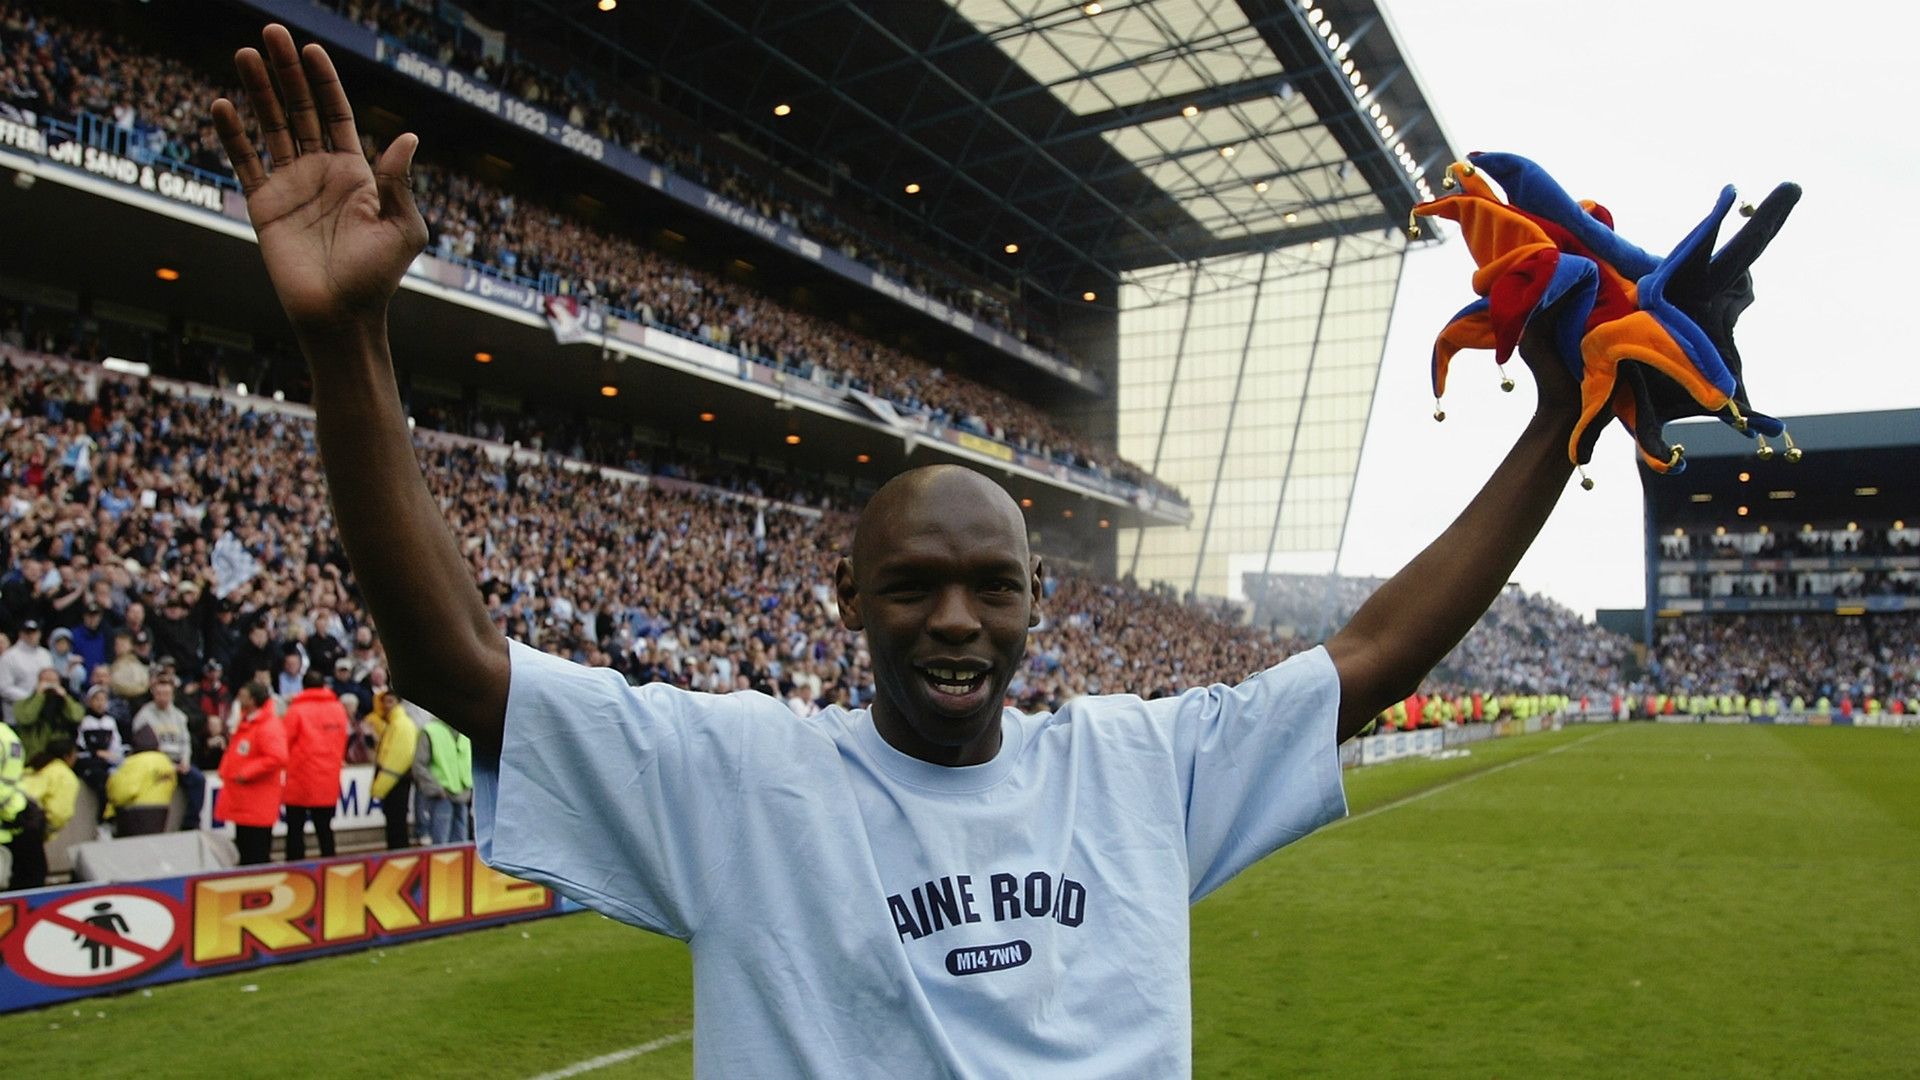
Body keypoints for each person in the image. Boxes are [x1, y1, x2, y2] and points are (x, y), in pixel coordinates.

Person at [215, 26, 1591, 1074]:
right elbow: (457, 665)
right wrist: (348, 340)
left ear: (1038, 602)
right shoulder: (743, 776)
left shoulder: (1142, 768)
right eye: (915, 584)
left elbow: (1374, 651)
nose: (955, 619)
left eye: (992, 586)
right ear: (849, 599)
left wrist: (1566, 426)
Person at [281, 670, 350, 861]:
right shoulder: (338, 709)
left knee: (295, 829)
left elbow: (284, 740)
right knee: (325, 829)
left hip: (300, 778)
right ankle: (330, 868)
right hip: (327, 777)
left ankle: (295, 869)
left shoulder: (296, 710)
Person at [216, 682, 286, 865]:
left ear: (253, 700)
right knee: (245, 849)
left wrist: (245, 773)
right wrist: (226, 770)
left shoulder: (267, 725)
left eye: (243, 695)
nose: (239, 699)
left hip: (257, 800)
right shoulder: (248, 721)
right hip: (246, 800)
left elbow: (277, 757)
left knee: (256, 854)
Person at [131, 677, 205, 831]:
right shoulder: (144, 716)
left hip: (178, 759)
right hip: (156, 762)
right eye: (160, 694)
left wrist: (185, 761)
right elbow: (142, 746)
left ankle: (190, 823)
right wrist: (168, 766)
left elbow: (186, 742)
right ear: (154, 694)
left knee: (198, 780)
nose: (163, 698)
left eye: (167, 694)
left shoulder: (179, 716)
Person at [411, 708, 471, 845]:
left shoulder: (465, 730)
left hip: (463, 793)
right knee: (441, 843)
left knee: (461, 843)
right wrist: (436, 789)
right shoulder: (430, 731)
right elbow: (419, 765)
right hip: (441, 795)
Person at [367, 689, 418, 850]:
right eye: (384, 701)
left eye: (390, 701)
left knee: (396, 824)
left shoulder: (401, 725)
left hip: (396, 781)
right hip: (394, 780)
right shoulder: (394, 723)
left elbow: (397, 760)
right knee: (395, 822)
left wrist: (380, 786)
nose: (386, 705)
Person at [1, 718, 48, 890]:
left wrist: (14, 814)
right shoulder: (7, 737)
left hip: (15, 823)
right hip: (14, 822)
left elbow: (7, 783)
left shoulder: (4, 738)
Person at [106, 746, 180, 838]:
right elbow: (173, 784)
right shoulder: (165, 761)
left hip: (135, 815)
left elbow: (124, 792)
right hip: (161, 813)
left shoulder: (135, 761)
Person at [21, 738, 80, 838]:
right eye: (75, 755)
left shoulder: (32, 768)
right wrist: (46, 829)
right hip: (31, 824)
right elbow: (59, 813)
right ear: (66, 756)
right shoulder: (65, 776)